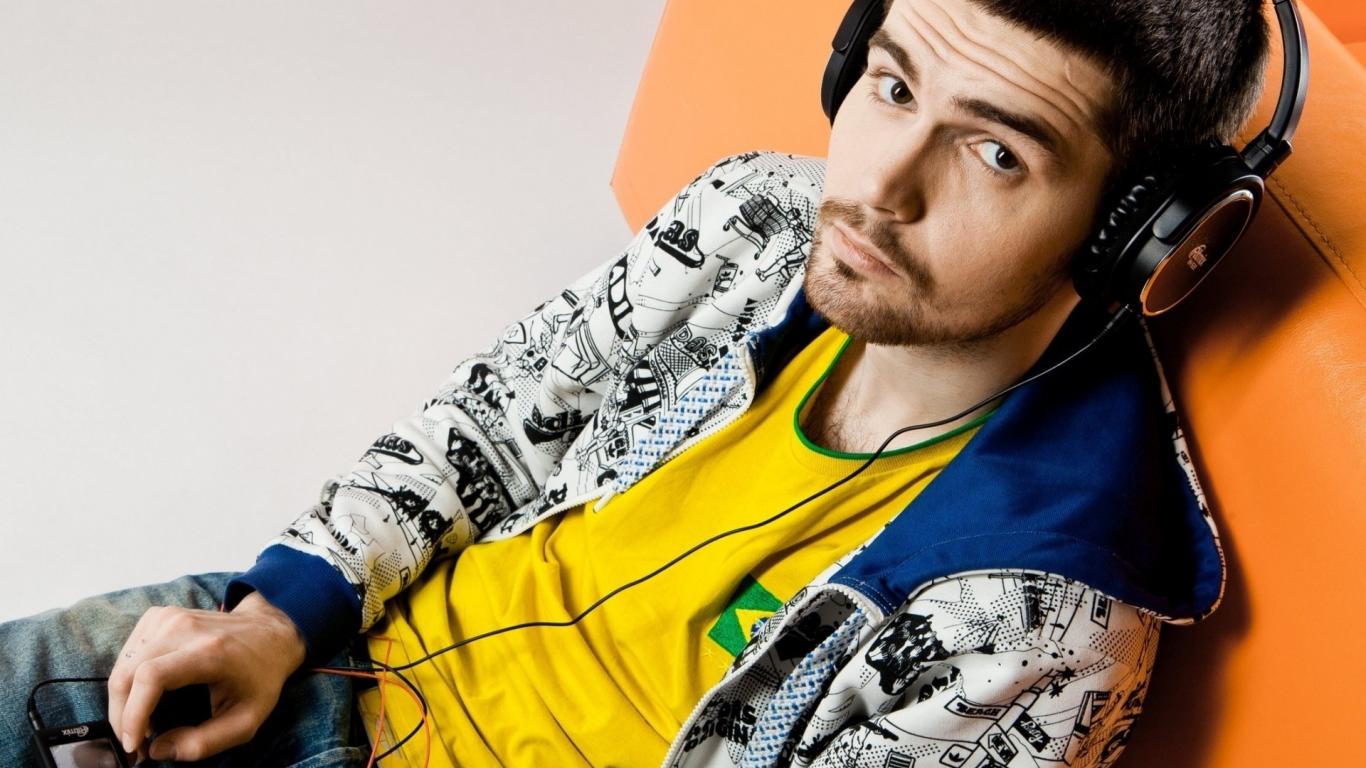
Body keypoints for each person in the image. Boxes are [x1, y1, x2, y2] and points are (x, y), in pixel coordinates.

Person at [1, 0, 1272, 765]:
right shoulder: (753, 221)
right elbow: (492, 422)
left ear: (1134, 236)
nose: (881, 186)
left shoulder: (1044, 625)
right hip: (317, 657)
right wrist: (276, 617)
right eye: (890, 87)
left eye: (995, 153)